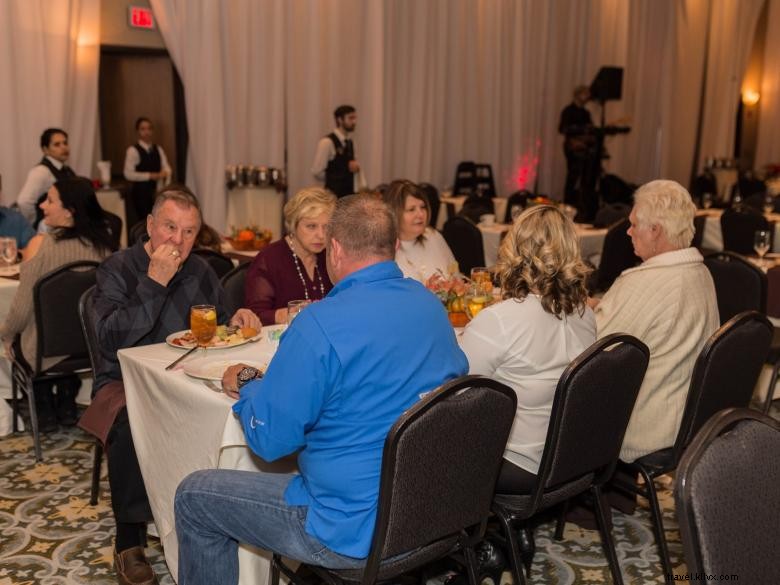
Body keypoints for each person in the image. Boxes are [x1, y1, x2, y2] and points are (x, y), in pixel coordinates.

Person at [174, 195, 468, 585]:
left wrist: (247, 384)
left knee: (194, 496)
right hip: (430, 505)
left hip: (349, 528)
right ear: (393, 246)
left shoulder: (319, 324)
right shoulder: (430, 305)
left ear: (337, 249)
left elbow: (269, 440)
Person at [78, 187, 260, 585]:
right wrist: (155, 282)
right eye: (170, 228)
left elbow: (222, 327)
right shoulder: (117, 269)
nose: (178, 240)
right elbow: (111, 340)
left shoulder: (200, 270)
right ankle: (129, 542)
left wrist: (239, 320)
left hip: (191, 374)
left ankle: (216, 515)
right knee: (129, 422)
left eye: (190, 231)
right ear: (150, 226)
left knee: (242, 405)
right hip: (126, 382)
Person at [460, 205, 596, 489]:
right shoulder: (586, 313)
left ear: (515, 249)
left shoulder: (500, 320)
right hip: (569, 454)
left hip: (521, 461)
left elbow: (457, 394)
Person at [594, 180, 719, 463]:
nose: (627, 231)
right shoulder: (701, 274)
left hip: (645, 427)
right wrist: (603, 305)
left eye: (634, 224)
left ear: (655, 230)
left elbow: (592, 351)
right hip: (689, 416)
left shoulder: (641, 282)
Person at [1, 177, 116, 431]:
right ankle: (67, 395)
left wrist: (6, 336)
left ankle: (43, 401)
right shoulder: (105, 248)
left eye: (50, 200)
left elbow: (21, 310)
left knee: (19, 334)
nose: (42, 206)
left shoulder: (42, 246)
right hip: (91, 347)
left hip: (46, 350)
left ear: (69, 211)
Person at [245, 187, 336, 325]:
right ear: (293, 225)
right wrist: (286, 314)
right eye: (311, 226)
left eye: (327, 227)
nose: (321, 235)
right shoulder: (269, 259)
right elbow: (254, 315)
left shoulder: (331, 255)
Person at [383, 179, 457, 282]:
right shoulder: (385, 252)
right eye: (411, 209)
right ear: (394, 214)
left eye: (423, 207)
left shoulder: (432, 236)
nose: (421, 214)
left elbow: (455, 277)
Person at [15, 128, 76, 227]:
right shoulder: (42, 171)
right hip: (48, 228)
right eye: (57, 144)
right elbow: (24, 201)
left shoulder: (66, 169)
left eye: (65, 143)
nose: (64, 147)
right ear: (45, 150)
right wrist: (34, 224)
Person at [123, 117, 172, 224]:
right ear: (138, 131)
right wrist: (149, 175)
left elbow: (167, 168)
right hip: (140, 194)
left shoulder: (158, 149)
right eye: (143, 129)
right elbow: (128, 174)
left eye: (149, 129)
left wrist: (165, 177)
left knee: (159, 221)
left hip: (157, 193)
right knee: (144, 223)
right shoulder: (132, 150)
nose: (147, 132)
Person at [558, 86, 596, 220]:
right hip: (573, 149)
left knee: (586, 179)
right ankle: (567, 205)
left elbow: (591, 131)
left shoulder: (586, 113)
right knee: (573, 177)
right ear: (577, 94)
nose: (587, 96)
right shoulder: (568, 111)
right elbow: (562, 129)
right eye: (585, 93)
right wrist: (579, 131)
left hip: (585, 150)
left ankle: (583, 208)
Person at [311, 105, 365, 197]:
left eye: (355, 118)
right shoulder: (327, 142)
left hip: (349, 196)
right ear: (340, 120)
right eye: (351, 118)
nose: (354, 122)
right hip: (333, 197)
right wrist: (337, 174)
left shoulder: (351, 142)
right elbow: (317, 171)